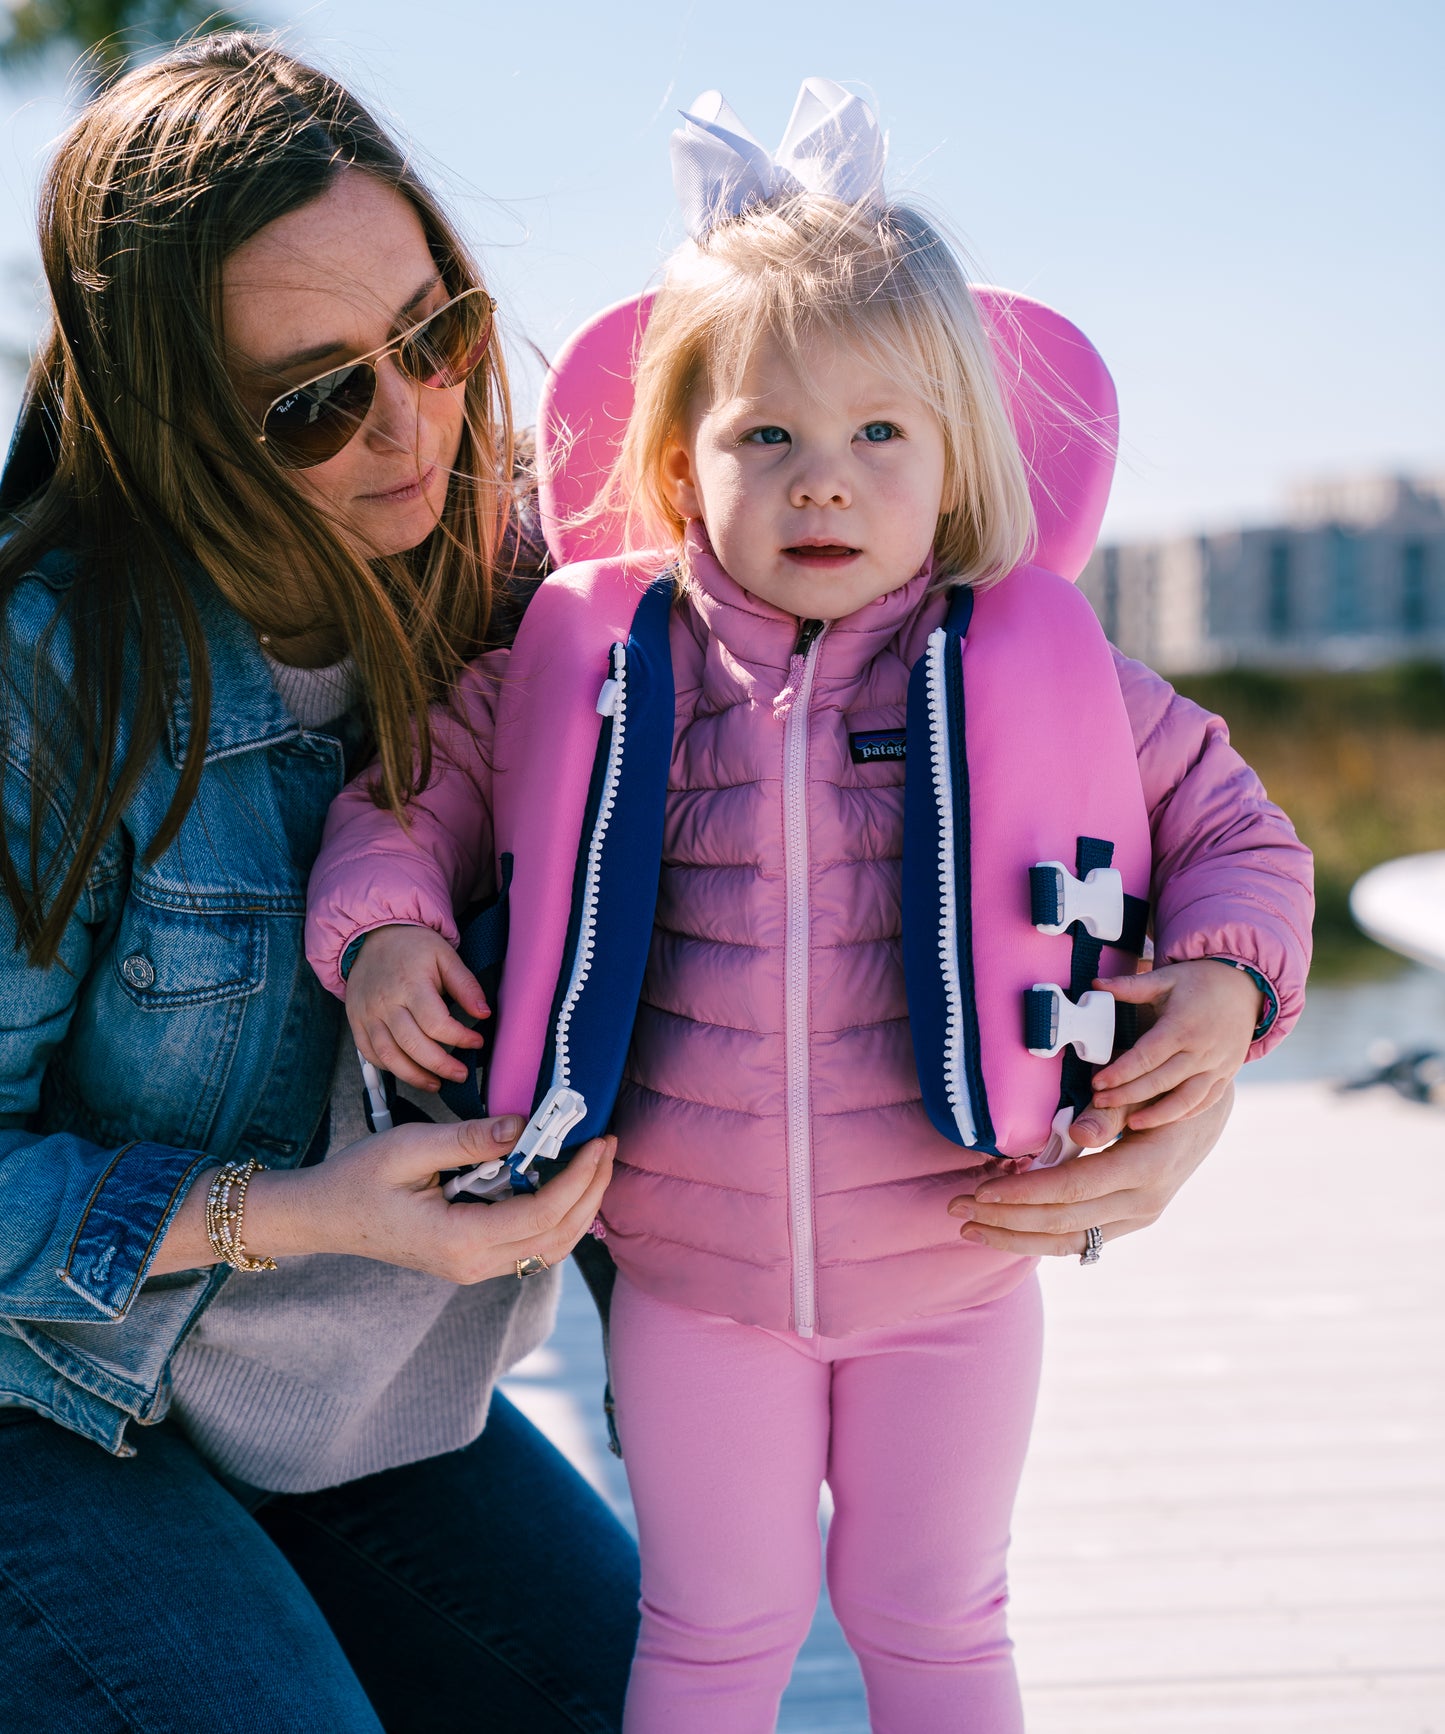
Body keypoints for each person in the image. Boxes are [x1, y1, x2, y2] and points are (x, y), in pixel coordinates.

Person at [306, 83, 1314, 1732]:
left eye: (876, 436)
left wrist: (1221, 984)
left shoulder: (1044, 670)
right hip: (694, 1283)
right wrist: (388, 926)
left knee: (934, 1616)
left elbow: (1240, 839)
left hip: (957, 1263)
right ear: (680, 459)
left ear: (954, 458)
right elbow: (408, 796)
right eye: (765, 434)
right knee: (713, 1627)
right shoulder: (594, 662)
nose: (820, 482)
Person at [0, 34, 639, 1734]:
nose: (413, 422)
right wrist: (297, 1218)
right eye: (314, 399)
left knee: (651, 1698)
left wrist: (1189, 1027)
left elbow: (837, 798)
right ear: (174, 425)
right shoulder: (47, 675)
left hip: (317, 1408)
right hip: (36, 1396)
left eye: (434, 337)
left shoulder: (523, 590)